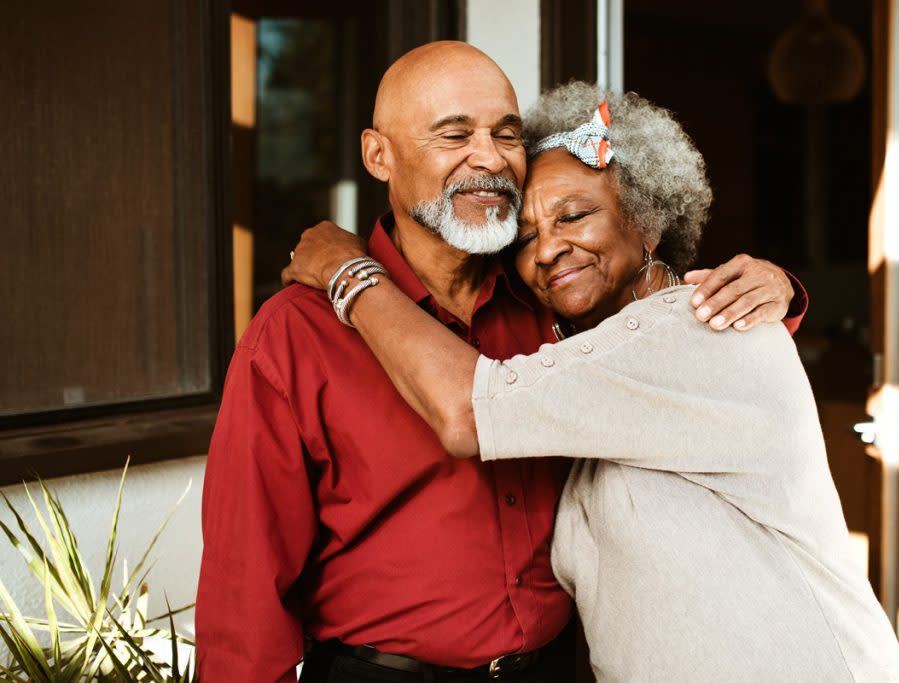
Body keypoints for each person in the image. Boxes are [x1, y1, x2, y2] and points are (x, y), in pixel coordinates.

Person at [197, 41, 802, 682]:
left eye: (505, 133)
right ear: (379, 155)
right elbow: (245, 583)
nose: (487, 159)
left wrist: (777, 289)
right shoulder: (296, 333)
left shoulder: (552, 295)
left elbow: (673, 336)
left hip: (561, 668)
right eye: (453, 135)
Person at [282, 81, 899, 681]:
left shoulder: (695, 325)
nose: (549, 249)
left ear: (649, 221)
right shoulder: (588, 363)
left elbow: (470, 412)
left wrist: (350, 273)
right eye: (525, 238)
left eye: (575, 215)